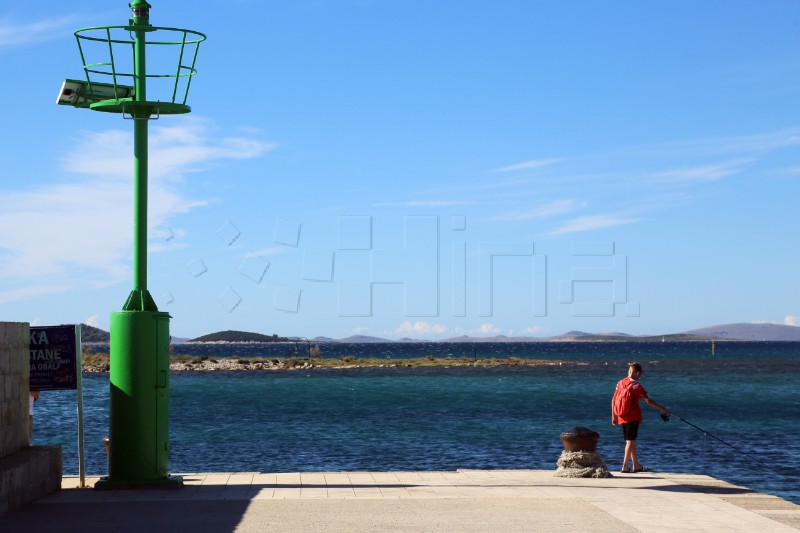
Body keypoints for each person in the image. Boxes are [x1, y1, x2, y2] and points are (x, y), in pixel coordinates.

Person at [611, 362, 669, 473]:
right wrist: (663, 409)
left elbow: (613, 400)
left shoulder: (620, 383)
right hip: (632, 417)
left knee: (631, 441)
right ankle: (624, 467)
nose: (640, 376)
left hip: (621, 416)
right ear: (637, 373)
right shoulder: (636, 386)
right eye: (640, 374)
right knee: (630, 442)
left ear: (629, 371)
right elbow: (648, 401)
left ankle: (636, 465)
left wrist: (614, 416)